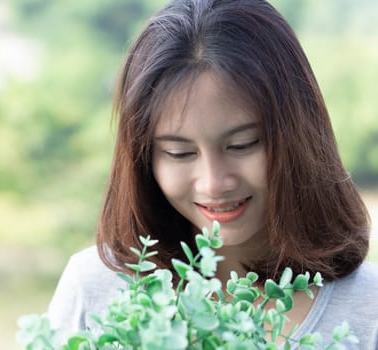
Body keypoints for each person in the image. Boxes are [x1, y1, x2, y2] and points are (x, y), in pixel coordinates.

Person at [47, 0, 378, 348]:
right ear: (144, 158)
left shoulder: (368, 308)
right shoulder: (95, 287)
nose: (214, 182)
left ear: (298, 137)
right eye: (179, 153)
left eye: (242, 145)